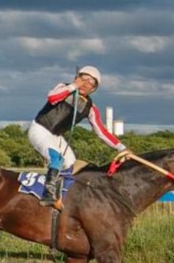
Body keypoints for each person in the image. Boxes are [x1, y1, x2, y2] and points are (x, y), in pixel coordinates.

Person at [27, 65, 125, 207]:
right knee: (57, 158)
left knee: (71, 165)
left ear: (93, 89)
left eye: (91, 82)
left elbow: (102, 131)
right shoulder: (63, 87)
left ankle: (63, 196)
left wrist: (122, 148)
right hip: (40, 129)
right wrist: (73, 86)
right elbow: (52, 98)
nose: (85, 83)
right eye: (83, 78)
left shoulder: (91, 108)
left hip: (56, 137)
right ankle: (48, 195)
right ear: (76, 78)